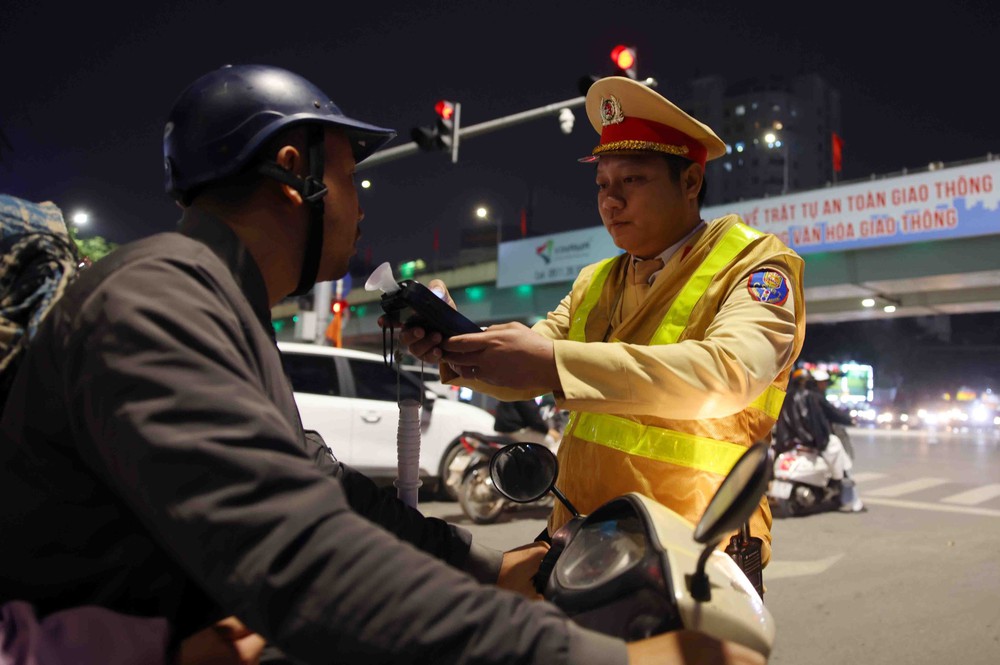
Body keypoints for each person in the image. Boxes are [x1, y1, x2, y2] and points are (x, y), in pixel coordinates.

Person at [0, 64, 764, 665]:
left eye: (630, 184)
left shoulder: (221, 311)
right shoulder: (158, 300)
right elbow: (306, 560)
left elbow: (323, 488)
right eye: (349, 178)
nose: (360, 204)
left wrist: (481, 561)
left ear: (690, 179)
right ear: (295, 172)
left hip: (672, 550)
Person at [402, 76, 806, 568]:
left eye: (632, 181)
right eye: (601, 185)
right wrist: (455, 343)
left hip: (696, 552)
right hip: (583, 539)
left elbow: (730, 373)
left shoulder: (756, 263)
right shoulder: (594, 281)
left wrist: (553, 365)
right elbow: (524, 367)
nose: (610, 202)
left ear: (691, 182)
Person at [493, 397, 562, 446]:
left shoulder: (512, 388)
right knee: (551, 442)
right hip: (515, 429)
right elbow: (533, 418)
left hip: (503, 429)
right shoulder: (525, 392)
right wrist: (548, 430)